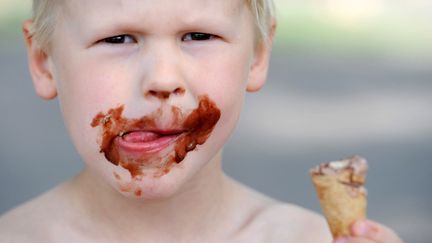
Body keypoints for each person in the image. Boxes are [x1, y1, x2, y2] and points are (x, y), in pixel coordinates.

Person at [0, 0, 403, 242]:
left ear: (258, 55)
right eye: (118, 39)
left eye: (197, 36)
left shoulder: (313, 240)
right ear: (43, 60)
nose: (162, 79)